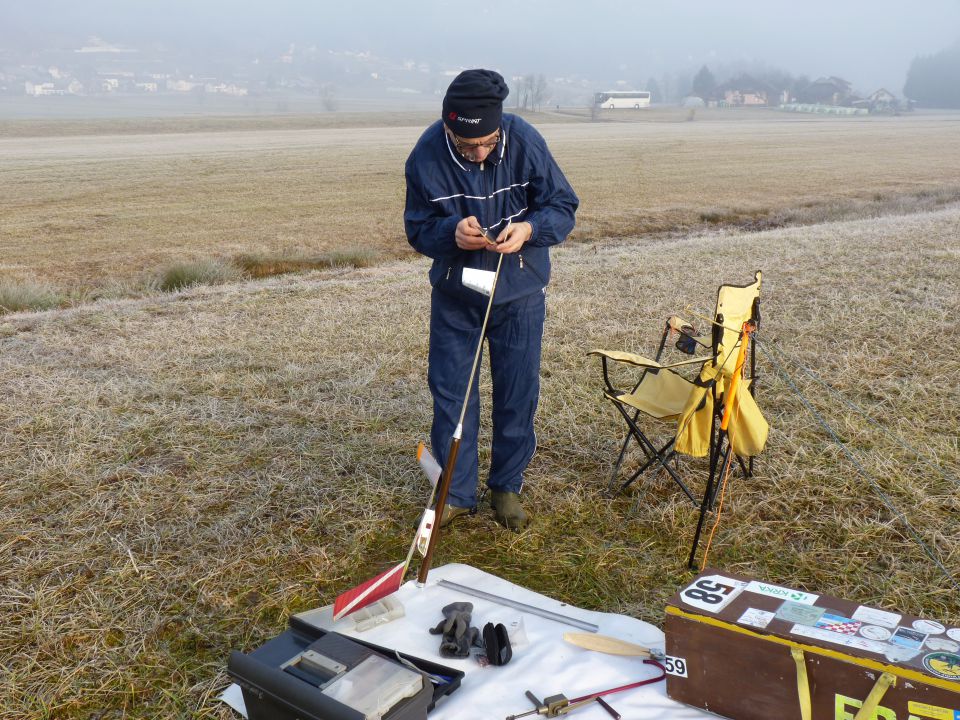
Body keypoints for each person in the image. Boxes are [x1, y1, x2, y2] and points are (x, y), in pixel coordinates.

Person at [404, 69, 578, 530]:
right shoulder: (424, 156)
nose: (479, 152)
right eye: (466, 146)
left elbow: (562, 206)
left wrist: (530, 230)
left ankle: (505, 486)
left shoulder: (525, 141)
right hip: (456, 296)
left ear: (500, 127)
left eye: (487, 143)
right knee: (451, 394)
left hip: (518, 292)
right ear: (448, 128)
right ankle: (457, 493)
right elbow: (417, 229)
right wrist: (450, 233)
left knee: (517, 391)